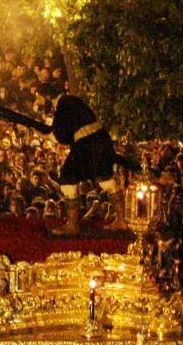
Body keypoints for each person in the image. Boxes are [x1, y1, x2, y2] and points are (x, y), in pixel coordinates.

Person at [45, 88, 125, 236]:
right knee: (105, 177)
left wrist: (47, 135)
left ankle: (72, 225)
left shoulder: (63, 104)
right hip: (101, 139)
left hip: (86, 144)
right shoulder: (75, 101)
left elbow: (61, 136)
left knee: (68, 177)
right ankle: (121, 220)